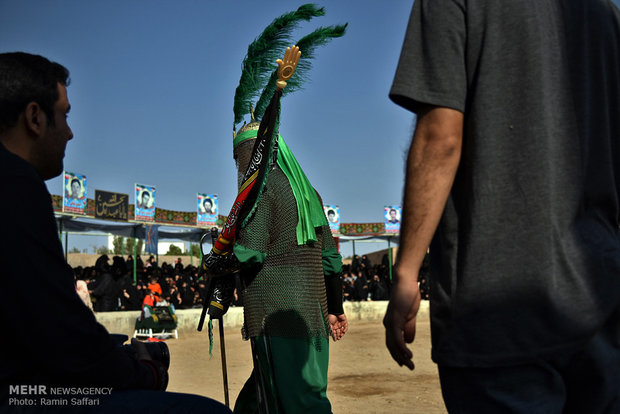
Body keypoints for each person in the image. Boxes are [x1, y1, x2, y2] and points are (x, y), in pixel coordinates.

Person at [383, 1, 620, 412]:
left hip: (494, 302)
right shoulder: (605, 11)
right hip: (600, 296)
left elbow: (442, 138)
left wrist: (406, 273)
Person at [0, 52, 230, 413]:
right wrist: (143, 371)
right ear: (34, 117)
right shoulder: (15, 184)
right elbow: (64, 336)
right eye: (64, 114)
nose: (71, 131)